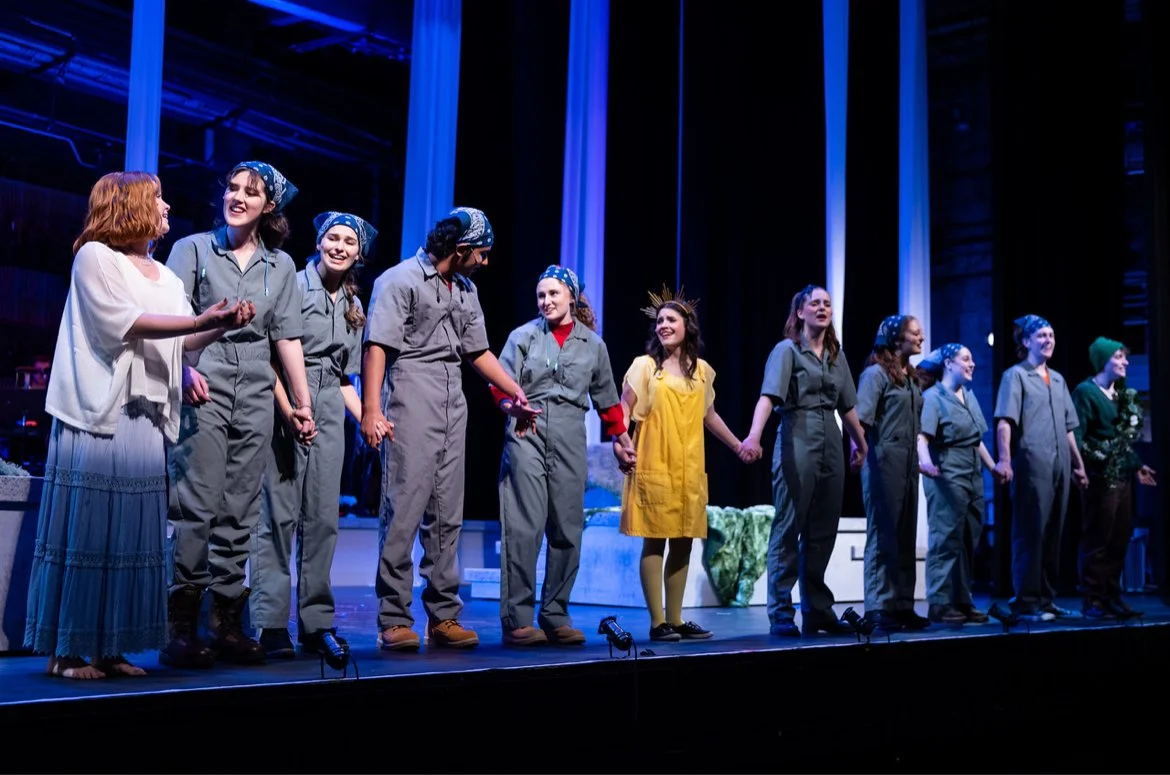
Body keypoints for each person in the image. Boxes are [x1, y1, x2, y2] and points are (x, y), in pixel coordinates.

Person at [24, 171, 253, 679]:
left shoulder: (165, 277)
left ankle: (113, 648)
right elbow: (122, 323)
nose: (167, 206)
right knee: (90, 530)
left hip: (146, 415)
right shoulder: (95, 258)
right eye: (157, 199)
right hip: (100, 413)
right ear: (129, 207)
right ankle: (70, 651)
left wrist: (219, 323)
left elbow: (183, 344)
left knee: (131, 537)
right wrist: (198, 321)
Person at [360, 207, 537, 652]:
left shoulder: (466, 289)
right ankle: (394, 617)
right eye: (481, 253)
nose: (485, 261)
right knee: (403, 508)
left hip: (452, 396)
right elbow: (377, 347)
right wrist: (370, 409)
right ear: (460, 250)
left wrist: (514, 393)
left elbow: (478, 352)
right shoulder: (399, 280)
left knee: (446, 514)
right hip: (411, 391)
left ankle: (443, 615)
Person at [164, 160, 316, 668]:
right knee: (196, 503)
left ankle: (227, 624)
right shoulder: (192, 250)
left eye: (250, 193)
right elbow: (172, 321)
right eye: (232, 188)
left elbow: (287, 338)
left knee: (240, 508)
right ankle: (182, 627)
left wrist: (301, 403)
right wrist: (184, 370)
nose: (237, 198)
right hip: (203, 377)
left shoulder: (282, 266)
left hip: (254, 385)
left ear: (268, 206)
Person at [250, 212, 377, 668]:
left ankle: (316, 621)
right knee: (279, 516)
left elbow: (345, 376)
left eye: (349, 241)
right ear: (319, 241)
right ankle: (268, 623)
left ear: (359, 253)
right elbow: (269, 355)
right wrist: (289, 411)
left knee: (323, 518)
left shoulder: (352, 305)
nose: (340, 246)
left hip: (327, 407)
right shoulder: (292, 284)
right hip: (284, 397)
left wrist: (368, 419)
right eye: (333, 238)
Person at [493, 265, 634, 646]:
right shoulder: (522, 337)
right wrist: (512, 407)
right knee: (524, 527)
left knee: (567, 528)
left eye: (554, 294)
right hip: (527, 431)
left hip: (571, 433)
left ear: (572, 297)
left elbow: (607, 400)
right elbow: (499, 386)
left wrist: (621, 439)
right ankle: (518, 618)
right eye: (541, 295)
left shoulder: (593, 345)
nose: (546, 301)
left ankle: (555, 613)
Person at [616, 286, 751, 642]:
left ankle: (675, 620)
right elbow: (624, 407)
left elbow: (709, 415)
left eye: (670, 319)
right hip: (655, 461)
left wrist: (739, 445)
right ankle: (657, 622)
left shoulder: (702, 371)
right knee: (655, 539)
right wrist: (621, 438)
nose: (663, 324)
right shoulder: (645, 367)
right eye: (659, 320)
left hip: (688, 468)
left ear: (687, 326)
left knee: (683, 541)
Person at [741, 284, 867, 638]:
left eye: (827, 303)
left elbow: (849, 406)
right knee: (790, 523)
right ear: (800, 312)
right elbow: (768, 397)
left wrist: (861, 444)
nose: (823, 308)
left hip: (832, 434)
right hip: (797, 431)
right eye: (815, 303)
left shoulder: (836, 354)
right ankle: (781, 611)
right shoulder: (787, 351)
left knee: (824, 527)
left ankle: (817, 611)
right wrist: (754, 436)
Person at [992, 314, 1088, 621]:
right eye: (1042, 336)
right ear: (1026, 341)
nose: (1048, 341)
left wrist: (1079, 465)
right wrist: (1005, 459)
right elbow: (1005, 421)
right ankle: (1027, 601)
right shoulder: (1015, 376)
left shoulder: (1058, 379)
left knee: (1053, 533)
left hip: (1060, 464)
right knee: (1030, 532)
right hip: (1032, 464)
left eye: (1052, 335)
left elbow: (1069, 428)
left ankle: (1047, 599)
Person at [916, 344, 1003, 624]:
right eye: (966, 359)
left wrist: (993, 467)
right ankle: (939, 602)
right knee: (946, 537)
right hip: (946, 471)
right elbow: (922, 437)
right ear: (948, 364)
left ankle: (962, 599)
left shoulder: (969, 396)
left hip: (972, 471)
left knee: (968, 538)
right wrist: (925, 462)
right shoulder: (932, 397)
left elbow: (976, 439)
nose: (972, 363)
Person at [1072, 337, 1157, 619]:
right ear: (1103, 361)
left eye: (1124, 357)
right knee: (1098, 538)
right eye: (1118, 357)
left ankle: (1111, 595)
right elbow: (1079, 435)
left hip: (1122, 478)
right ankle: (1092, 598)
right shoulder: (1086, 391)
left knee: (1119, 538)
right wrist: (1084, 465)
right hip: (1099, 477)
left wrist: (1136, 466)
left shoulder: (1119, 395)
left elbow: (1121, 442)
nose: (1125, 362)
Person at [854, 315, 930, 632]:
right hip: (882, 457)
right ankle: (877, 605)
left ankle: (902, 604)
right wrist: (857, 450)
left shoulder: (911, 378)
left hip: (908, 461)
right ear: (896, 339)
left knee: (905, 534)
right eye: (915, 333)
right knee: (882, 532)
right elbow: (861, 419)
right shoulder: (876, 374)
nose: (921, 338)